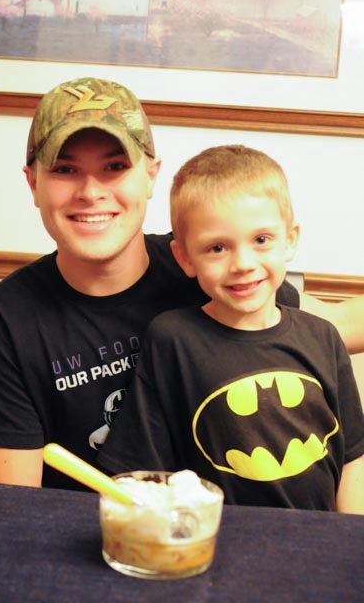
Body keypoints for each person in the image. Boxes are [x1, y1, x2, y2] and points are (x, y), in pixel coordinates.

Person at [0, 77, 364, 492]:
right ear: (33, 184)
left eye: (115, 167)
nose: (91, 192)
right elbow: (10, 508)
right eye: (65, 169)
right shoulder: (5, 320)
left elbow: (333, 327)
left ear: (151, 176)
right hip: (97, 527)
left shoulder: (211, 266)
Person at [98, 145, 364, 513]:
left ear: (289, 240)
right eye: (217, 248)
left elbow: (352, 459)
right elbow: (141, 469)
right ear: (185, 258)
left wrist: (350, 536)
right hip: (217, 536)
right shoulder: (173, 340)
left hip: (318, 536)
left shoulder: (323, 337)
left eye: (261, 240)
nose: (243, 264)